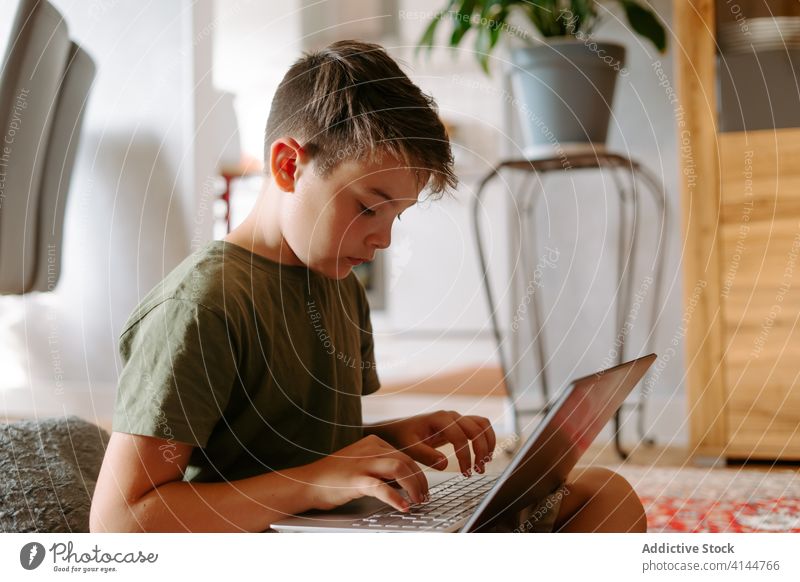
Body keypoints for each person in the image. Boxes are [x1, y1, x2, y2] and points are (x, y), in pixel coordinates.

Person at [90, 40, 646, 534]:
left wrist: (394, 439)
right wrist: (311, 485)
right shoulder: (200, 307)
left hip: (336, 534)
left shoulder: (339, 286)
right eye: (368, 208)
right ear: (288, 166)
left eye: (395, 217)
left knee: (605, 493)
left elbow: (291, 446)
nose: (381, 239)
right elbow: (119, 523)